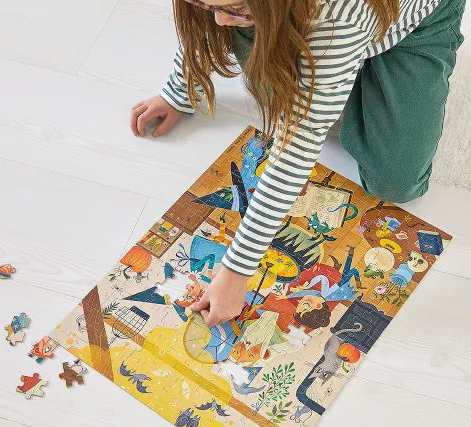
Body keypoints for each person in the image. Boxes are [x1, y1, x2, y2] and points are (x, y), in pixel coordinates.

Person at [130, 0, 466, 327]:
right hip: (314, 22)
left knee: (397, 180)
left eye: (236, 9)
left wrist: (236, 272)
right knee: (278, 85)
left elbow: (298, 142)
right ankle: (334, 73)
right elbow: (206, 26)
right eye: (206, 6)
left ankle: (343, 74)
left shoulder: (341, 17)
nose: (219, 21)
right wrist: (177, 91)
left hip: (412, 23)